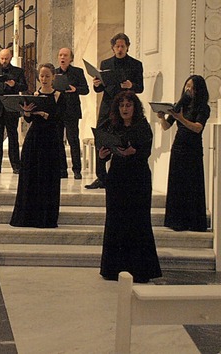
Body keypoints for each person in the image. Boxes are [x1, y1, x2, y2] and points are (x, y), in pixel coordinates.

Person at [98, 91, 161, 283]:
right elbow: (105, 154)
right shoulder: (111, 126)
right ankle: (113, 268)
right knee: (116, 220)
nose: (125, 109)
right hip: (117, 177)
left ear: (135, 107)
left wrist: (135, 151)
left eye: (128, 105)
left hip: (137, 178)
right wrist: (102, 156)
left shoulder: (142, 126)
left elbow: (146, 151)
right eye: (122, 105)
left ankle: (140, 269)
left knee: (138, 220)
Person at [86, 33, 144, 189]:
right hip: (108, 105)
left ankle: (122, 174)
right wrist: (97, 83)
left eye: (122, 46)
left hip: (126, 106)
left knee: (125, 137)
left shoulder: (135, 64)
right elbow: (99, 89)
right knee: (101, 136)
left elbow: (140, 87)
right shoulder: (106, 63)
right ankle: (101, 176)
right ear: (112, 48)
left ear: (127, 47)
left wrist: (131, 85)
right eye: (117, 46)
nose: (120, 49)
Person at [9, 63, 64, 228]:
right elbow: (29, 119)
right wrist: (26, 112)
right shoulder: (34, 95)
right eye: (42, 76)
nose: (44, 79)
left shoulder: (59, 96)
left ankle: (46, 217)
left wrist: (46, 114)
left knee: (48, 177)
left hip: (51, 140)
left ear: (53, 77)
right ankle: (28, 216)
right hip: (34, 139)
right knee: (31, 177)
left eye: (47, 76)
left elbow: (60, 118)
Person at [157, 75, 210, 232]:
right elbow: (167, 126)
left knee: (192, 184)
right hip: (178, 147)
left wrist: (180, 118)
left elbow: (197, 128)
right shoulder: (180, 105)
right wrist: (161, 117)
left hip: (193, 148)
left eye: (192, 87)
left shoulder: (203, 108)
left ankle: (193, 222)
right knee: (177, 183)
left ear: (199, 90)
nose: (189, 90)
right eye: (187, 86)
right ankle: (176, 221)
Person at [0, 48, 28, 174]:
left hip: (11, 108)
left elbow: (24, 86)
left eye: (6, 58)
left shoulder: (18, 71)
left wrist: (14, 85)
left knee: (13, 138)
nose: (4, 61)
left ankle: (16, 166)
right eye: (2, 58)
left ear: (11, 58)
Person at [56, 47, 89, 179]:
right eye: (60, 55)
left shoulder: (77, 72)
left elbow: (86, 90)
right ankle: (62, 169)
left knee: (73, 140)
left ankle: (77, 170)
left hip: (72, 110)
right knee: (58, 141)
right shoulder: (54, 72)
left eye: (65, 55)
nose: (62, 58)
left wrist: (75, 89)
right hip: (58, 111)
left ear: (71, 58)